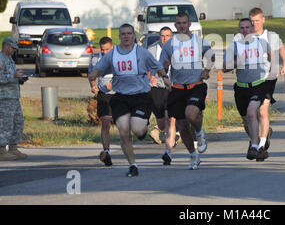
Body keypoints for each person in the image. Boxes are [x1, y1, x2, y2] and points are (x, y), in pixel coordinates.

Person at [89, 24, 171, 177]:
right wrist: (92, 76)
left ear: (134, 36)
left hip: (141, 96)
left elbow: (157, 66)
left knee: (138, 130)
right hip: (120, 97)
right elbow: (97, 69)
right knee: (124, 132)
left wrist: (165, 77)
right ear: (119, 37)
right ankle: (133, 164)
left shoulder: (141, 52)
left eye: (129, 33)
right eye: (123, 34)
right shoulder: (112, 54)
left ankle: (142, 130)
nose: (126, 36)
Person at [159, 12, 215, 170]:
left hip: (195, 85)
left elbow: (211, 56)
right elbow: (161, 66)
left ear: (189, 24)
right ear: (175, 26)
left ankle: (199, 131)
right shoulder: (170, 44)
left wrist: (207, 70)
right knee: (182, 126)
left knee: (191, 113)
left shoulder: (198, 41)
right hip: (177, 88)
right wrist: (164, 75)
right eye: (179, 23)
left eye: (184, 23)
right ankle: (193, 155)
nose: (182, 26)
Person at [224, 18, 271, 161]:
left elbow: (272, 59)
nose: (245, 30)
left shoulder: (262, 43)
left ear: (252, 28)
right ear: (239, 30)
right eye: (241, 28)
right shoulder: (234, 46)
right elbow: (225, 67)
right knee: (247, 121)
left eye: (247, 27)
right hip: (241, 88)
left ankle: (255, 146)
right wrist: (237, 62)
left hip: (259, 85)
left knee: (253, 113)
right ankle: (259, 140)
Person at [248, 7, 285, 151]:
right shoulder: (247, 37)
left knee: (262, 110)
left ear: (263, 20)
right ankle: (263, 132)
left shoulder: (271, 36)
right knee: (253, 111)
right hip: (251, 78)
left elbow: (282, 49)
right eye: (252, 21)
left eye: (257, 21)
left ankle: (261, 144)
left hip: (268, 77)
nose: (255, 24)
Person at [146, 26, 181, 164]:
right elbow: (145, 67)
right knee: (162, 123)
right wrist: (150, 78)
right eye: (162, 36)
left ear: (172, 37)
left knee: (170, 119)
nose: (165, 38)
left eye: (167, 35)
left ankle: (168, 152)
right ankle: (160, 130)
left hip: (173, 87)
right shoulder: (151, 50)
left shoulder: (178, 49)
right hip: (156, 89)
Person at [0, 37, 28, 161]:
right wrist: (13, 75)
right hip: (4, 97)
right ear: (6, 46)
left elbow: (11, 76)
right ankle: (1, 150)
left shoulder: (10, 59)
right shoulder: (0, 59)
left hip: (14, 97)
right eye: (12, 48)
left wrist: (20, 79)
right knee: (6, 124)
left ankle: (13, 147)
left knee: (18, 122)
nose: (14, 51)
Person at [88, 36, 115, 166]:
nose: (104, 52)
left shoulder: (119, 57)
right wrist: (93, 85)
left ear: (112, 47)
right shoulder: (95, 59)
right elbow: (91, 75)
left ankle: (127, 148)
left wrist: (115, 83)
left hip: (119, 94)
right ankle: (106, 152)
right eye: (102, 49)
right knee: (105, 121)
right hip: (103, 94)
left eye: (107, 49)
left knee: (123, 125)